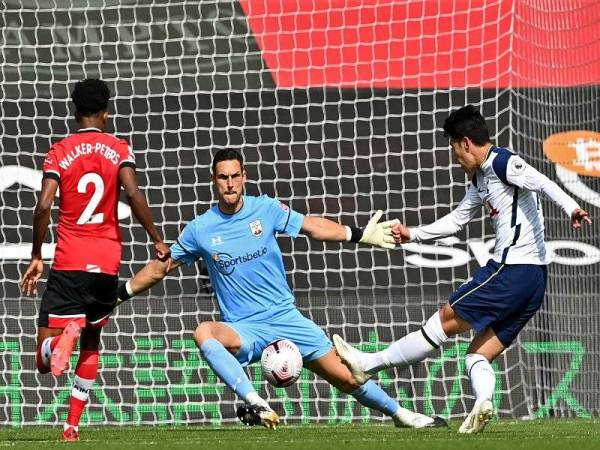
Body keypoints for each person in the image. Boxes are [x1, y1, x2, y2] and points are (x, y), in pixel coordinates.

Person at [117, 148, 448, 429]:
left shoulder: (265, 209)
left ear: (244, 176)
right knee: (205, 332)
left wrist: (358, 234)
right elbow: (161, 267)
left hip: (285, 317)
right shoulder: (200, 229)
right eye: (222, 177)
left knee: (348, 379)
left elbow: (313, 227)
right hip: (244, 327)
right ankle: (256, 401)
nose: (229, 183)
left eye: (234, 176)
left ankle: (402, 414)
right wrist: (121, 293)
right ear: (214, 181)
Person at [333, 104, 592, 434]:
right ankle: (483, 401)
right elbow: (457, 220)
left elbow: (542, 182)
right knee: (476, 356)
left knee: (443, 320)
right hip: (534, 282)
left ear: (466, 142)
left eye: (455, 148)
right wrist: (414, 233)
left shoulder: (502, 162)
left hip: (513, 271)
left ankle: (368, 365)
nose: (455, 157)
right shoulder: (480, 178)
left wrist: (572, 207)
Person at [19, 79, 169, 441]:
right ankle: (71, 427)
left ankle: (59, 342)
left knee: (43, 360)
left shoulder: (59, 151)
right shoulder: (118, 148)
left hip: (70, 261)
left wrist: (37, 254)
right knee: (91, 344)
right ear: (106, 113)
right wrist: (156, 238)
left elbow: (43, 205)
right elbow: (132, 193)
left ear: (74, 112)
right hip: (106, 265)